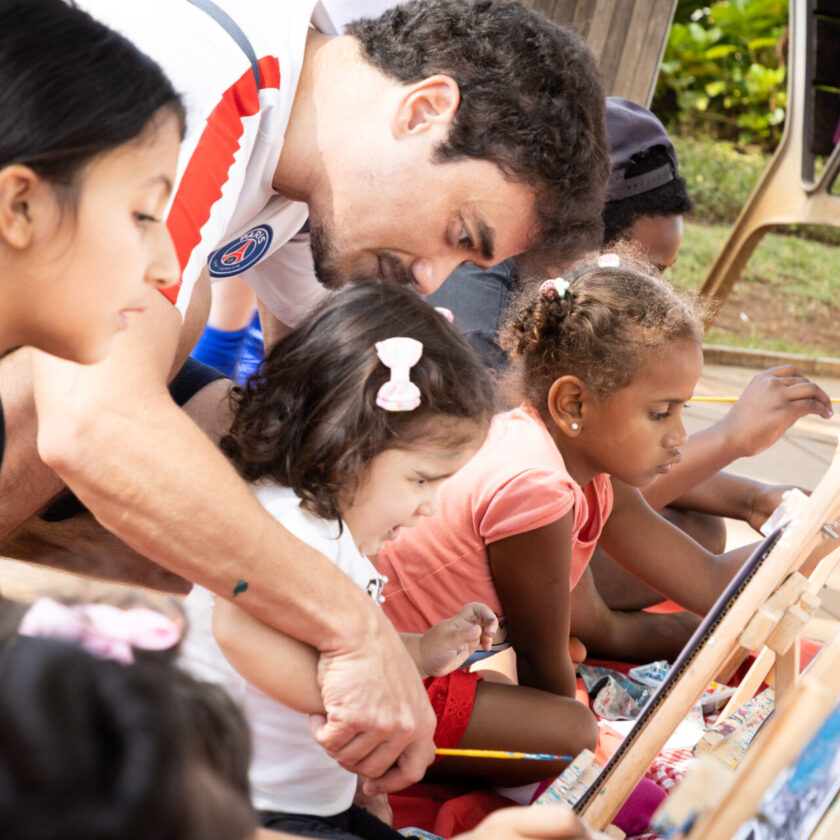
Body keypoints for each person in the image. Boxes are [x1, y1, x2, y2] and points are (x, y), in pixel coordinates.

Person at [0, 0, 610, 790]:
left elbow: (321, 417)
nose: (431, 277)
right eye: (461, 232)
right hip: (66, 405)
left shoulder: (306, 182)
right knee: (156, 351)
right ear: (424, 109)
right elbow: (92, 422)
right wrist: (353, 626)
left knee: (233, 454)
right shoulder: (207, 72)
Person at [378, 253, 792, 788]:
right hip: (390, 674)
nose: (679, 436)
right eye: (660, 413)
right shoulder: (537, 487)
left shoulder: (586, 466)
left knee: (560, 706)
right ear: (573, 401)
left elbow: (708, 579)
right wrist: (554, 743)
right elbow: (542, 659)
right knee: (572, 732)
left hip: (431, 657)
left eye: (682, 411)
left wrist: (805, 529)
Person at [426, 96, 832, 607]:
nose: (655, 291)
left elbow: (626, 474)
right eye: (647, 272)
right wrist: (732, 438)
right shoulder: (476, 312)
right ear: (574, 237)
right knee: (615, 574)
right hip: (481, 545)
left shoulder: (553, 323)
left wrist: (757, 499)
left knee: (700, 529)